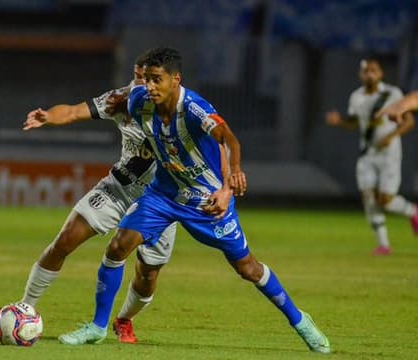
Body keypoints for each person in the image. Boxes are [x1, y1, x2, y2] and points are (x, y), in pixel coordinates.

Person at [58, 47, 331, 354]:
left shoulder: (193, 109)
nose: (149, 86)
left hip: (205, 201)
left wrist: (229, 186)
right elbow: (118, 105)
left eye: (156, 79)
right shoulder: (139, 102)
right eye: (146, 79)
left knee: (248, 269)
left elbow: (228, 138)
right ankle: (97, 327)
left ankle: (299, 320)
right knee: (119, 246)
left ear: (176, 79)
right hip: (163, 194)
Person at [326, 58, 417, 255]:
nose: (370, 74)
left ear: (381, 74)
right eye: (366, 71)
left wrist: (391, 137)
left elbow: (409, 122)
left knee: (385, 199)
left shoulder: (392, 94)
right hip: (367, 153)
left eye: (374, 70)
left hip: (389, 153)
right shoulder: (356, 97)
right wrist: (339, 121)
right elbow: (354, 123)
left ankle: (413, 211)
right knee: (368, 196)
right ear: (361, 75)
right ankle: (383, 244)